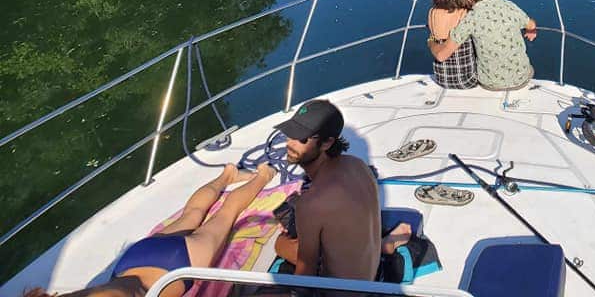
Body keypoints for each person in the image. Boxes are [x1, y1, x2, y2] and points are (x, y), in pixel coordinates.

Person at [24, 163, 277, 297]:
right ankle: (227, 175)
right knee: (192, 214)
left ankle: (263, 176)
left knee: (226, 214)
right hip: (136, 259)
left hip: (176, 264)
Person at [273, 99, 381, 293]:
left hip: (340, 292)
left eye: (303, 138)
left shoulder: (312, 203)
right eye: (290, 133)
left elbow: (305, 278)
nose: (290, 143)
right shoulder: (358, 165)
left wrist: (280, 245)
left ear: (327, 142)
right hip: (369, 278)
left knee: (281, 246)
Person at [429, 0, 537, 90]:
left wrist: (431, 42)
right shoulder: (509, 5)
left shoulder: (471, 18)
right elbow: (531, 24)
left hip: (490, 84)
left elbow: (441, 56)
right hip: (521, 79)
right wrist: (531, 31)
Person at [426, 0, 478, 89]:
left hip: (442, 78)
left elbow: (432, 35)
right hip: (467, 79)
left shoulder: (432, 12)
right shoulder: (464, 13)